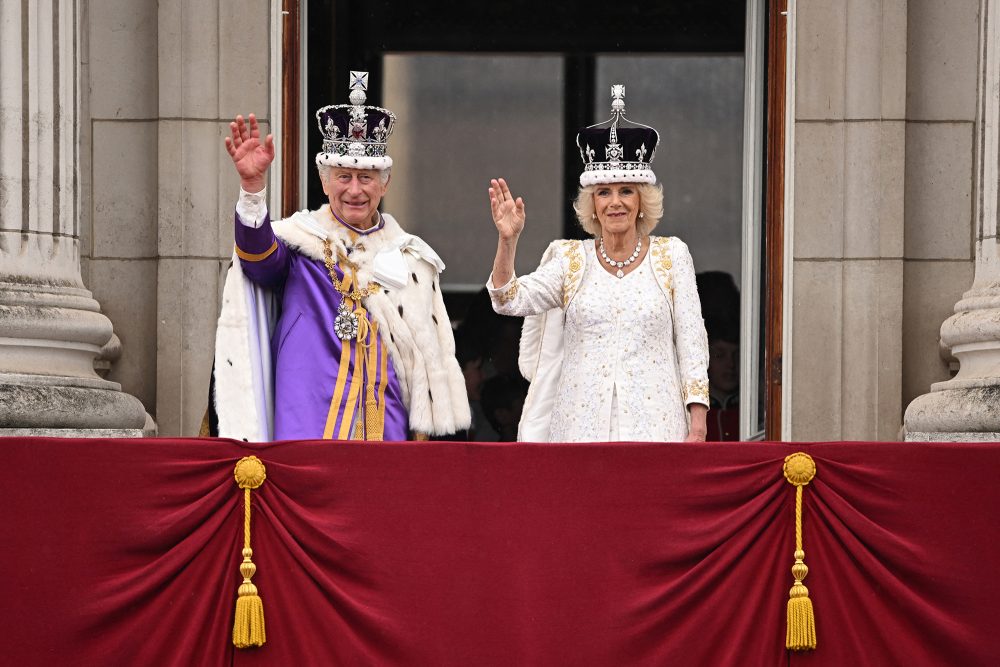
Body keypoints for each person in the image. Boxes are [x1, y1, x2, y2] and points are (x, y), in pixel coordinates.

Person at [211, 71, 470, 441]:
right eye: (343, 176)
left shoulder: (411, 259)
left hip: (387, 426)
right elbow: (259, 260)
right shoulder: (302, 243)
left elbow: (427, 364)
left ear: (385, 183)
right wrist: (252, 190)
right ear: (324, 180)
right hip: (308, 425)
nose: (354, 190)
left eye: (366, 177)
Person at [485, 84, 709, 442]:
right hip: (579, 431)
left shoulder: (672, 256)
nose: (615, 202)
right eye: (604, 192)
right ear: (592, 203)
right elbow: (508, 299)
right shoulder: (569, 259)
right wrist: (507, 240)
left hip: (657, 429)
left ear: (641, 199)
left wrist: (697, 423)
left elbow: (692, 343)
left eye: (625, 191)